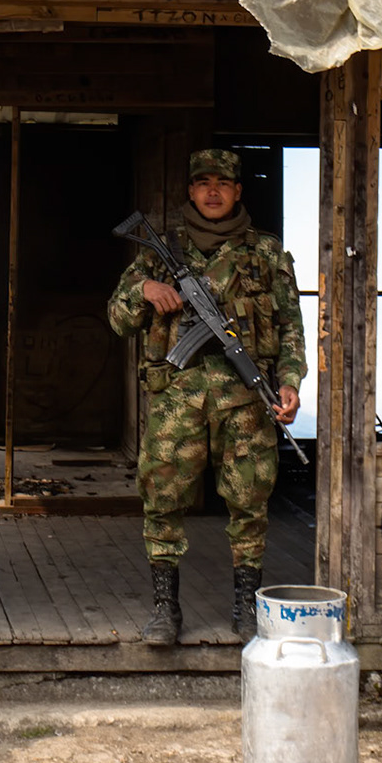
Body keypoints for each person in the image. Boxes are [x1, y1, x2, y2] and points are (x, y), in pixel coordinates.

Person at [106, 148, 307, 645]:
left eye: (222, 183)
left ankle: (245, 607)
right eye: (203, 183)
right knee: (162, 500)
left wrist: (289, 382)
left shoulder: (266, 253)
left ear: (238, 191)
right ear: (191, 191)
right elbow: (118, 319)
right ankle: (165, 609)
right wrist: (144, 290)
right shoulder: (159, 253)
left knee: (250, 504)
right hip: (177, 400)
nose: (212, 191)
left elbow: (290, 327)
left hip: (247, 402)